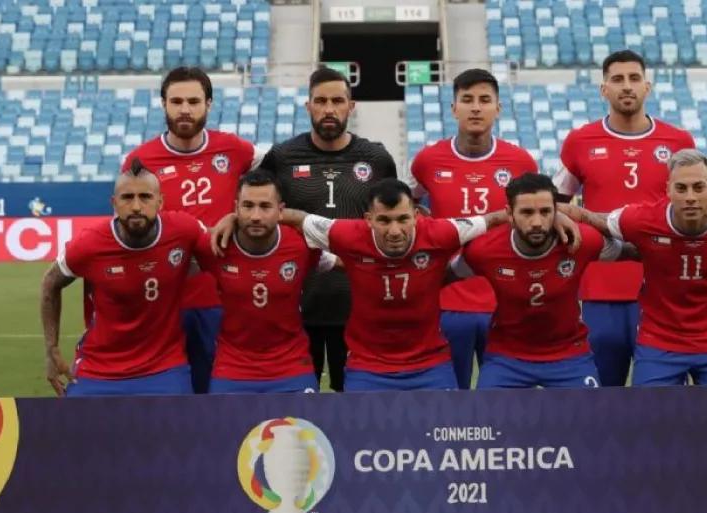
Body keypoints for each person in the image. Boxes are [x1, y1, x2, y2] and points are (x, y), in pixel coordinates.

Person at [212, 178, 579, 391]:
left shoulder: (440, 232)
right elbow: (292, 216)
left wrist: (558, 213)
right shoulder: (346, 235)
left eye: (403, 219)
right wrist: (235, 216)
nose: (395, 230)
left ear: (417, 216)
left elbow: (495, 217)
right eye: (384, 220)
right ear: (368, 219)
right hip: (368, 367)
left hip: (431, 365)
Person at [560, 149, 707, 387]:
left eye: (699, 187)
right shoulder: (642, 219)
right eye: (681, 188)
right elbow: (590, 218)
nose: (690, 197)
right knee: (653, 420)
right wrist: (560, 215)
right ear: (668, 190)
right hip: (659, 342)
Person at [552, 50, 696, 388]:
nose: (626, 86)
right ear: (604, 89)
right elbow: (556, 205)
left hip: (663, 290)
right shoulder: (579, 141)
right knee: (603, 395)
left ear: (648, 87)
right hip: (600, 287)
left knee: (663, 400)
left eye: (634, 79)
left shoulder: (678, 141)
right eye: (617, 79)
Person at [119, 66, 264, 395]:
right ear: (163, 104)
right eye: (177, 101)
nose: (185, 109)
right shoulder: (139, 160)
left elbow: (274, 177)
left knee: (220, 396)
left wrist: (239, 217)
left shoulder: (235, 150)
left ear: (209, 105)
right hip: (164, 303)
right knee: (168, 399)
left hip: (222, 298)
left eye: (194, 101)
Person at [259, 67, 399, 392]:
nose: (329, 109)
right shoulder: (282, 157)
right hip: (296, 308)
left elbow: (395, 223)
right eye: (320, 101)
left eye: (338, 100)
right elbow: (255, 208)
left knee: (352, 406)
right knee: (298, 408)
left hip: (358, 309)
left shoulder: (376, 159)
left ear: (352, 106)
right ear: (308, 106)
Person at [407, 68, 539, 389]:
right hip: (449, 299)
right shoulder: (427, 160)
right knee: (452, 400)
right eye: (467, 100)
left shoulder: (521, 162)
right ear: (454, 109)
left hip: (505, 301)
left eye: (484, 100)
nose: (476, 107)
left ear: (498, 108)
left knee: (507, 402)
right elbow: (406, 203)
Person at [40, 160, 210, 397]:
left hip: (165, 368)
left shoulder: (184, 230)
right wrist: (51, 349)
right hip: (99, 369)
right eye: (127, 198)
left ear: (160, 202)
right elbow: (50, 282)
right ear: (114, 203)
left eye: (145, 197)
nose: (136, 206)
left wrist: (233, 220)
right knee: (77, 431)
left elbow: (226, 252)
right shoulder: (90, 244)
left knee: (177, 431)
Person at [449, 173, 631, 389]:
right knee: (489, 420)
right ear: (509, 214)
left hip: (570, 354)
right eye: (526, 213)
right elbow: (441, 275)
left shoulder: (582, 241)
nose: (537, 222)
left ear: (557, 211)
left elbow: (636, 252)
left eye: (545, 212)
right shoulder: (483, 250)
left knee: (589, 420)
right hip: (507, 357)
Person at [193, 171, 339, 394]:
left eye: (265, 206)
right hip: (233, 367)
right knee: (226, 429)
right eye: (248, 206)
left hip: (291, 367)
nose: (255, 216)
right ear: (236, 208)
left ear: (281, 210)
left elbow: (347, 256)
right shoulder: (215, 245)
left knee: (300, 429)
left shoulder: (301, 245)